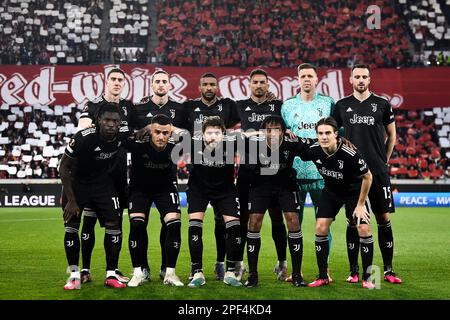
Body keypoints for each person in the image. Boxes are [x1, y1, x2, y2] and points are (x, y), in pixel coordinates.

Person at [333, 64, 402, 284]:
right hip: (352, 174)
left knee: (383, 218)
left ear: (369, 79)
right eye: (357, 77)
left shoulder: (382, 104)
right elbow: (334, 136)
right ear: (350, 80)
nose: (361, 80)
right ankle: (354, 271)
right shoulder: (342, 106)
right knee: (354, 220)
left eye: (364, 76)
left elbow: (391, 136)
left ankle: (389, 270)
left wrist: (383, 160)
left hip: (378, 171)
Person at [73, 68, 132, 284]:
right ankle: (85, 269)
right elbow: (81, 128)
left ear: (124, 83)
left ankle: (113, 270)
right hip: (96, 173)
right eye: (113, 79)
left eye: (120, 80)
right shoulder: (93, 105)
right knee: (88, 221)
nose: (117, 83)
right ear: (106, 82)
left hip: (118, 174)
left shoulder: (128, 107)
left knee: (116, 222)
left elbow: (131, 134)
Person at [59, 103, 127, 290]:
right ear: (98, 121)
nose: (111, 124)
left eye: (115, 121)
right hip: (77, 185)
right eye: (107, 120)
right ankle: (74, 275)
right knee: (71, 227)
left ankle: (111, 274)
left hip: (103, 185)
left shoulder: (122, 135)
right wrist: (71, 201)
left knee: (114, 225)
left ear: (120, 123)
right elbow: (63, 167)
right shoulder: (83, 138)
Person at [130, 69, 189, 280]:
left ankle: (166, 268)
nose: (161, 85)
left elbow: (189, 136)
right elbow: (132, 136)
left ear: (170, 85)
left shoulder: (180, 109)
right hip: (140, 177)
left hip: (167, 175)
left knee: (170, 224)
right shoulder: (138, 109)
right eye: (158, 81)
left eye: (165, 81)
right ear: (151, 84)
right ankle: (142, 269)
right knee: (138, 224)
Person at [302, 117, 375, 289]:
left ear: (336, 134)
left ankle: (367, 277)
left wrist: (361, 204)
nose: (324, 137)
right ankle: (322, 276)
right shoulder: (314, 149)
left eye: (328, 133)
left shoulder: (349, 153)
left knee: (363, 228)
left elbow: (368, 176)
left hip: (354, 193)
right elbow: (296, 145)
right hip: (331, 192)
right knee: (320, 227)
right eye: (320, 133)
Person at [184, 72, 241, 281]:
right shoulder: (192, 142)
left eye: (217, 132)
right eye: (209, 132)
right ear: (202, 133)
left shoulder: (233, 142)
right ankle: (196, 270)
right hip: (198, 189)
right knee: (195, 226)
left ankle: (231, 271)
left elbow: (256, 136)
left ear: (223, 133)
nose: (213, 136)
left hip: (225, 189)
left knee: (234, 226)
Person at [281, 63, 334, 282]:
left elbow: (335, 135)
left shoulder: (328, 104)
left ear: (316, 79)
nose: (306, 79)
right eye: (302, 76)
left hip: (323, 174)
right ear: (298, 79)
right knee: (294, 225)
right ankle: (296, 271)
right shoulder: (287, 106)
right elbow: (282, 136)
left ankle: (325, 269)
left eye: (310, 76)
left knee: (324, 225)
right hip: (294, 175)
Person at [235, 69, 288, 281]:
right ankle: (239, 263)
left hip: (272, 169)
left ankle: (282, 263)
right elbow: (215, 118)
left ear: (268, 85)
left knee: (277, 218)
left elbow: (289, 126)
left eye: (262, 82)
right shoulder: (239, 105)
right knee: (243, 220)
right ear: (249, 84)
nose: (259, 85)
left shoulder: (278, 106)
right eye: (255, 82)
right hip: (247, 169)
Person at [244, 116, 307, 288]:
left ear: (283, 131)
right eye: (268, 129)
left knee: (293, 221)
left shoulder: (291, 142)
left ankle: (296, 275)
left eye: (276, 129)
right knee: (254, 223)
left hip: (285, 185)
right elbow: (227, 139)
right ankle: (252, 275)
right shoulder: (253, 142)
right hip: (260, 186)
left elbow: (313, 146)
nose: (272, 133)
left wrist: (339, 140)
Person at [125, 114, 183, 287]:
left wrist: (176, 131)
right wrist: (142, 130)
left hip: (165, 189)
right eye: (157, 132)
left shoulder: (175, 144)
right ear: (151, 131)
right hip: (139, 189)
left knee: (174, 224)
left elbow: (192, 137)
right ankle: (139, 272)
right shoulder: (137, 143)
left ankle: (170, 272)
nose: (161, 136)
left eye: (165, 133)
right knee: (137, 225)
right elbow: (119, 138)